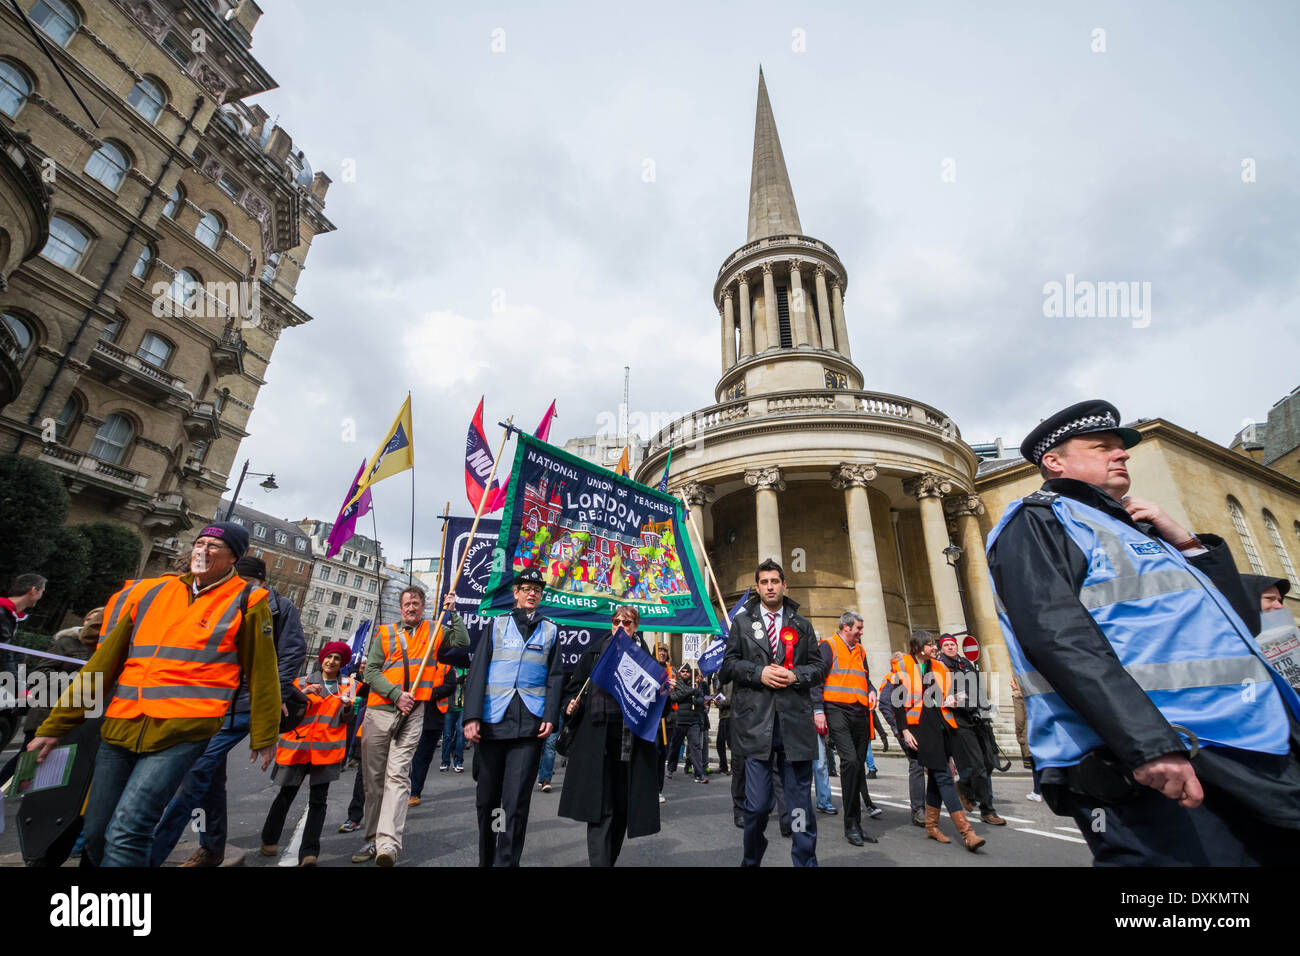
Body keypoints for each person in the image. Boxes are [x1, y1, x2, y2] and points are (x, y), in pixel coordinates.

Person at [988, 398, 1300, 865]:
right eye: (1103, 447)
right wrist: (1148, 745)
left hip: (1251, 743)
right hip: (1157, 754)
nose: (1123, 454)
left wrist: (1190, 546)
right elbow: (1058, 637)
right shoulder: (1040, 519)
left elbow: (1238, 624)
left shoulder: (1134, 530)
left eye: (1123, 447)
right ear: (1054, 462)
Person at [29, 523, 280, 867]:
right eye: (200, 543)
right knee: (98, 829)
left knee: (129, 828)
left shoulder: (248, 600)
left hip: (184, 729)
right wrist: (54, 726)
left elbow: (263, 670)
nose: (203, 551)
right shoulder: (153, 593)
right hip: (122, 723)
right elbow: (103, 665)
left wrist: (265, 733)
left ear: (234, 557)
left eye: (214, 547)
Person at [150, 554, 306, 866]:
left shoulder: (280, 608)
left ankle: (150, 857)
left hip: (244, 706)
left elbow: (292, 653)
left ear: (261, 583)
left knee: (193, 772)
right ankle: (213, 846)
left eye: (247, 583)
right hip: (210, 702)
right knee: (209, 778)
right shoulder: (220, 602)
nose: (240, 588)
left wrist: (270, 697)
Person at [720, 559, 828, 867]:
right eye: (764, 582)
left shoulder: (801, 625)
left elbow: (818, 668)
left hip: (794, 728)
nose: (770, 586)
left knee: (798, 809)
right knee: (755, 807)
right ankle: (751, 858)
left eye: (775, 581)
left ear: (784, 586)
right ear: (757, 587)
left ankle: (804, 860)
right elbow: (727, 667)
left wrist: (796, 676)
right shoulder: (741, 624)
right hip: (756, 728)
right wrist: (758, 672)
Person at [350, 587, 467, 866]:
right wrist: (395, 694)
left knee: (398, 776)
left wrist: (453, 611)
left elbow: (462, 642)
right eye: (406, 604)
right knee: (374, 780)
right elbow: (371, 671)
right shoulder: (386, 632)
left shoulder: (435, 629)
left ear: (424, 606)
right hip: (380, 711)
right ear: (401, 607)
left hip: (414, 712)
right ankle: (371, 839)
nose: (411, 608)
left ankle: (388, 845)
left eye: (415, 603)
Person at [462, 567, 563, 867]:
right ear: (515, 593)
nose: (532, 592)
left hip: (529, 725)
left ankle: (507, 862)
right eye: (526, 588)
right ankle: (488, 859)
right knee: (489, 802)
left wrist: (550, 714)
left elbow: (555, 677)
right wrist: (471, 717)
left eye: (537, 589)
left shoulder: (550, 629)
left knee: (515, 802)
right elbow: (478, 670)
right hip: (493, 722)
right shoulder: (497, 624)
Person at [557, 605, 662, 865]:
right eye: (616, 621)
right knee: (600, 809)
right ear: (610, 624)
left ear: (636, 627)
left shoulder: (645, 657)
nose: (620, 626)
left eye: (627, 622)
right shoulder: (594, 652)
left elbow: (653, 699)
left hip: (629, 741)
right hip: (597, 739)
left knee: (622, 809)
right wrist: (570, 704)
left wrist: (663, 691)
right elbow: (572, 689)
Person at [260, 641, 357, 866]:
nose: (331, 662)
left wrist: (348, 707)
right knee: (286, 795)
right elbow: (284, 711)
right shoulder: (300, 682)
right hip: (298, 749)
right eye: (329, 657)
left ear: (342, 664)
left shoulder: (347, 686)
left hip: (326, 751)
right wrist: (302, 693)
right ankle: (269, 840)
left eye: (337, 659)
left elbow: (347, 719)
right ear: (322, 658)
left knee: (318, 801)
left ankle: (309, 853)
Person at [889, 629, 985, 851]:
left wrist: (953, 699)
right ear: (918, 647)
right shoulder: (903, 665)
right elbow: (897, 702)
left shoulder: (940, 666)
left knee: (935, 777)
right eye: (931, 644)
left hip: (943, 727)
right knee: (943, 777)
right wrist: (904, 731)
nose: (935, 647)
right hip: (920, 729)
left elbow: (945, 695)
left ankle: (931, 826)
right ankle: (967, 832)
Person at [0, 606, 101, 787]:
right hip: (46, 713)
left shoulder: (104, 649)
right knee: (26, 763)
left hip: (80, 721)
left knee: (51, 775)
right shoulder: (67, 643)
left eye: (97, 622)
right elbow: (40, 674)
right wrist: (77, 682)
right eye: (88, 620)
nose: (91, 626)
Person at [816, 611, 882, 846]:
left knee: (858, 767)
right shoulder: (828, 645)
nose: (861, 632)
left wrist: (872, 689)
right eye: (859, 628)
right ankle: (850, 825)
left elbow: (865, 677)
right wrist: (818, 710)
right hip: (836, 709)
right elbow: (817, 679)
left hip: (860, 711)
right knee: (851, 762)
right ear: (846, 627)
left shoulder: (860, 650)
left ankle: (857, 824)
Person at [936, 633, 1005, 826]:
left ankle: (963, 786)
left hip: (977, 717)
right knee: (978, 765)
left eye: (952, 644)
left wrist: (985, 706)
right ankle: (987, 810)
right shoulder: (940, 667)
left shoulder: (965, 663)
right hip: (960, 720)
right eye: (946, 645)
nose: (950, 647)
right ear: (941, 648)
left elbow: (979, 687)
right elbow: (937, 692)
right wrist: (949, 699)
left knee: (989, 762)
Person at [667, 665, 709, 783]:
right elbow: (674, 697)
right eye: (683, 671)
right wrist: (689, 693)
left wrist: (695, 699)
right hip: (680, 721)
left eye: (687, 671)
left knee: (695, 747)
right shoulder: (677, 685)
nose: (685, 673)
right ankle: (670, 769)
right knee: (675, 746)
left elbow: (701, 699)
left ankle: (699, 774)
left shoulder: (695, 685)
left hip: (694, 721)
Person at [0, 573, 45, 647]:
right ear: (33, 591)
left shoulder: (12, 615)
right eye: (42, 592)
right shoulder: (3, 612)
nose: (41, 596)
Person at [440, 667, 467, 772]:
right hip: (450, 707)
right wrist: (456, 682)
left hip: (464, 707)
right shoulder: (448, 669)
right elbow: (445, 685)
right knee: (447, 735)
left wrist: (466, 683)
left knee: (461, 733)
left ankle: (458, 761)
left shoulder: (468, 669)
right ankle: (445, 761)